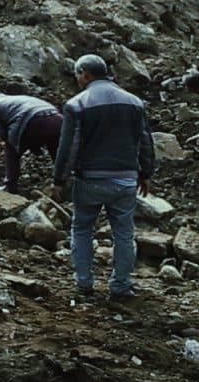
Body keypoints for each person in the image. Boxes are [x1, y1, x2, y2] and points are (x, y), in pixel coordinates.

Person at [52, 54, 156, 301]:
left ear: (85, 74)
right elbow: (145, 141)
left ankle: (84, 284)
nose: (77, 79)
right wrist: (146, 173)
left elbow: (69, 148)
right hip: (126, 181)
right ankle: (120, 285)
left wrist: (59, 179)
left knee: (82, 229)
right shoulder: (134, 102)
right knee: (124, 234)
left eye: (78, 75)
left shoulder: (77, 104)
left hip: (90, 180)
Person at [0, 89, 63, 195]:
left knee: (11, 150)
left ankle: (10, 186)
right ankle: (63, 181)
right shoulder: (14, 98)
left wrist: (16, 146)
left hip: (33, 120)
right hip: (57, 119)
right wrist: (33, 145)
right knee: (57, 151)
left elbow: (2, 132)